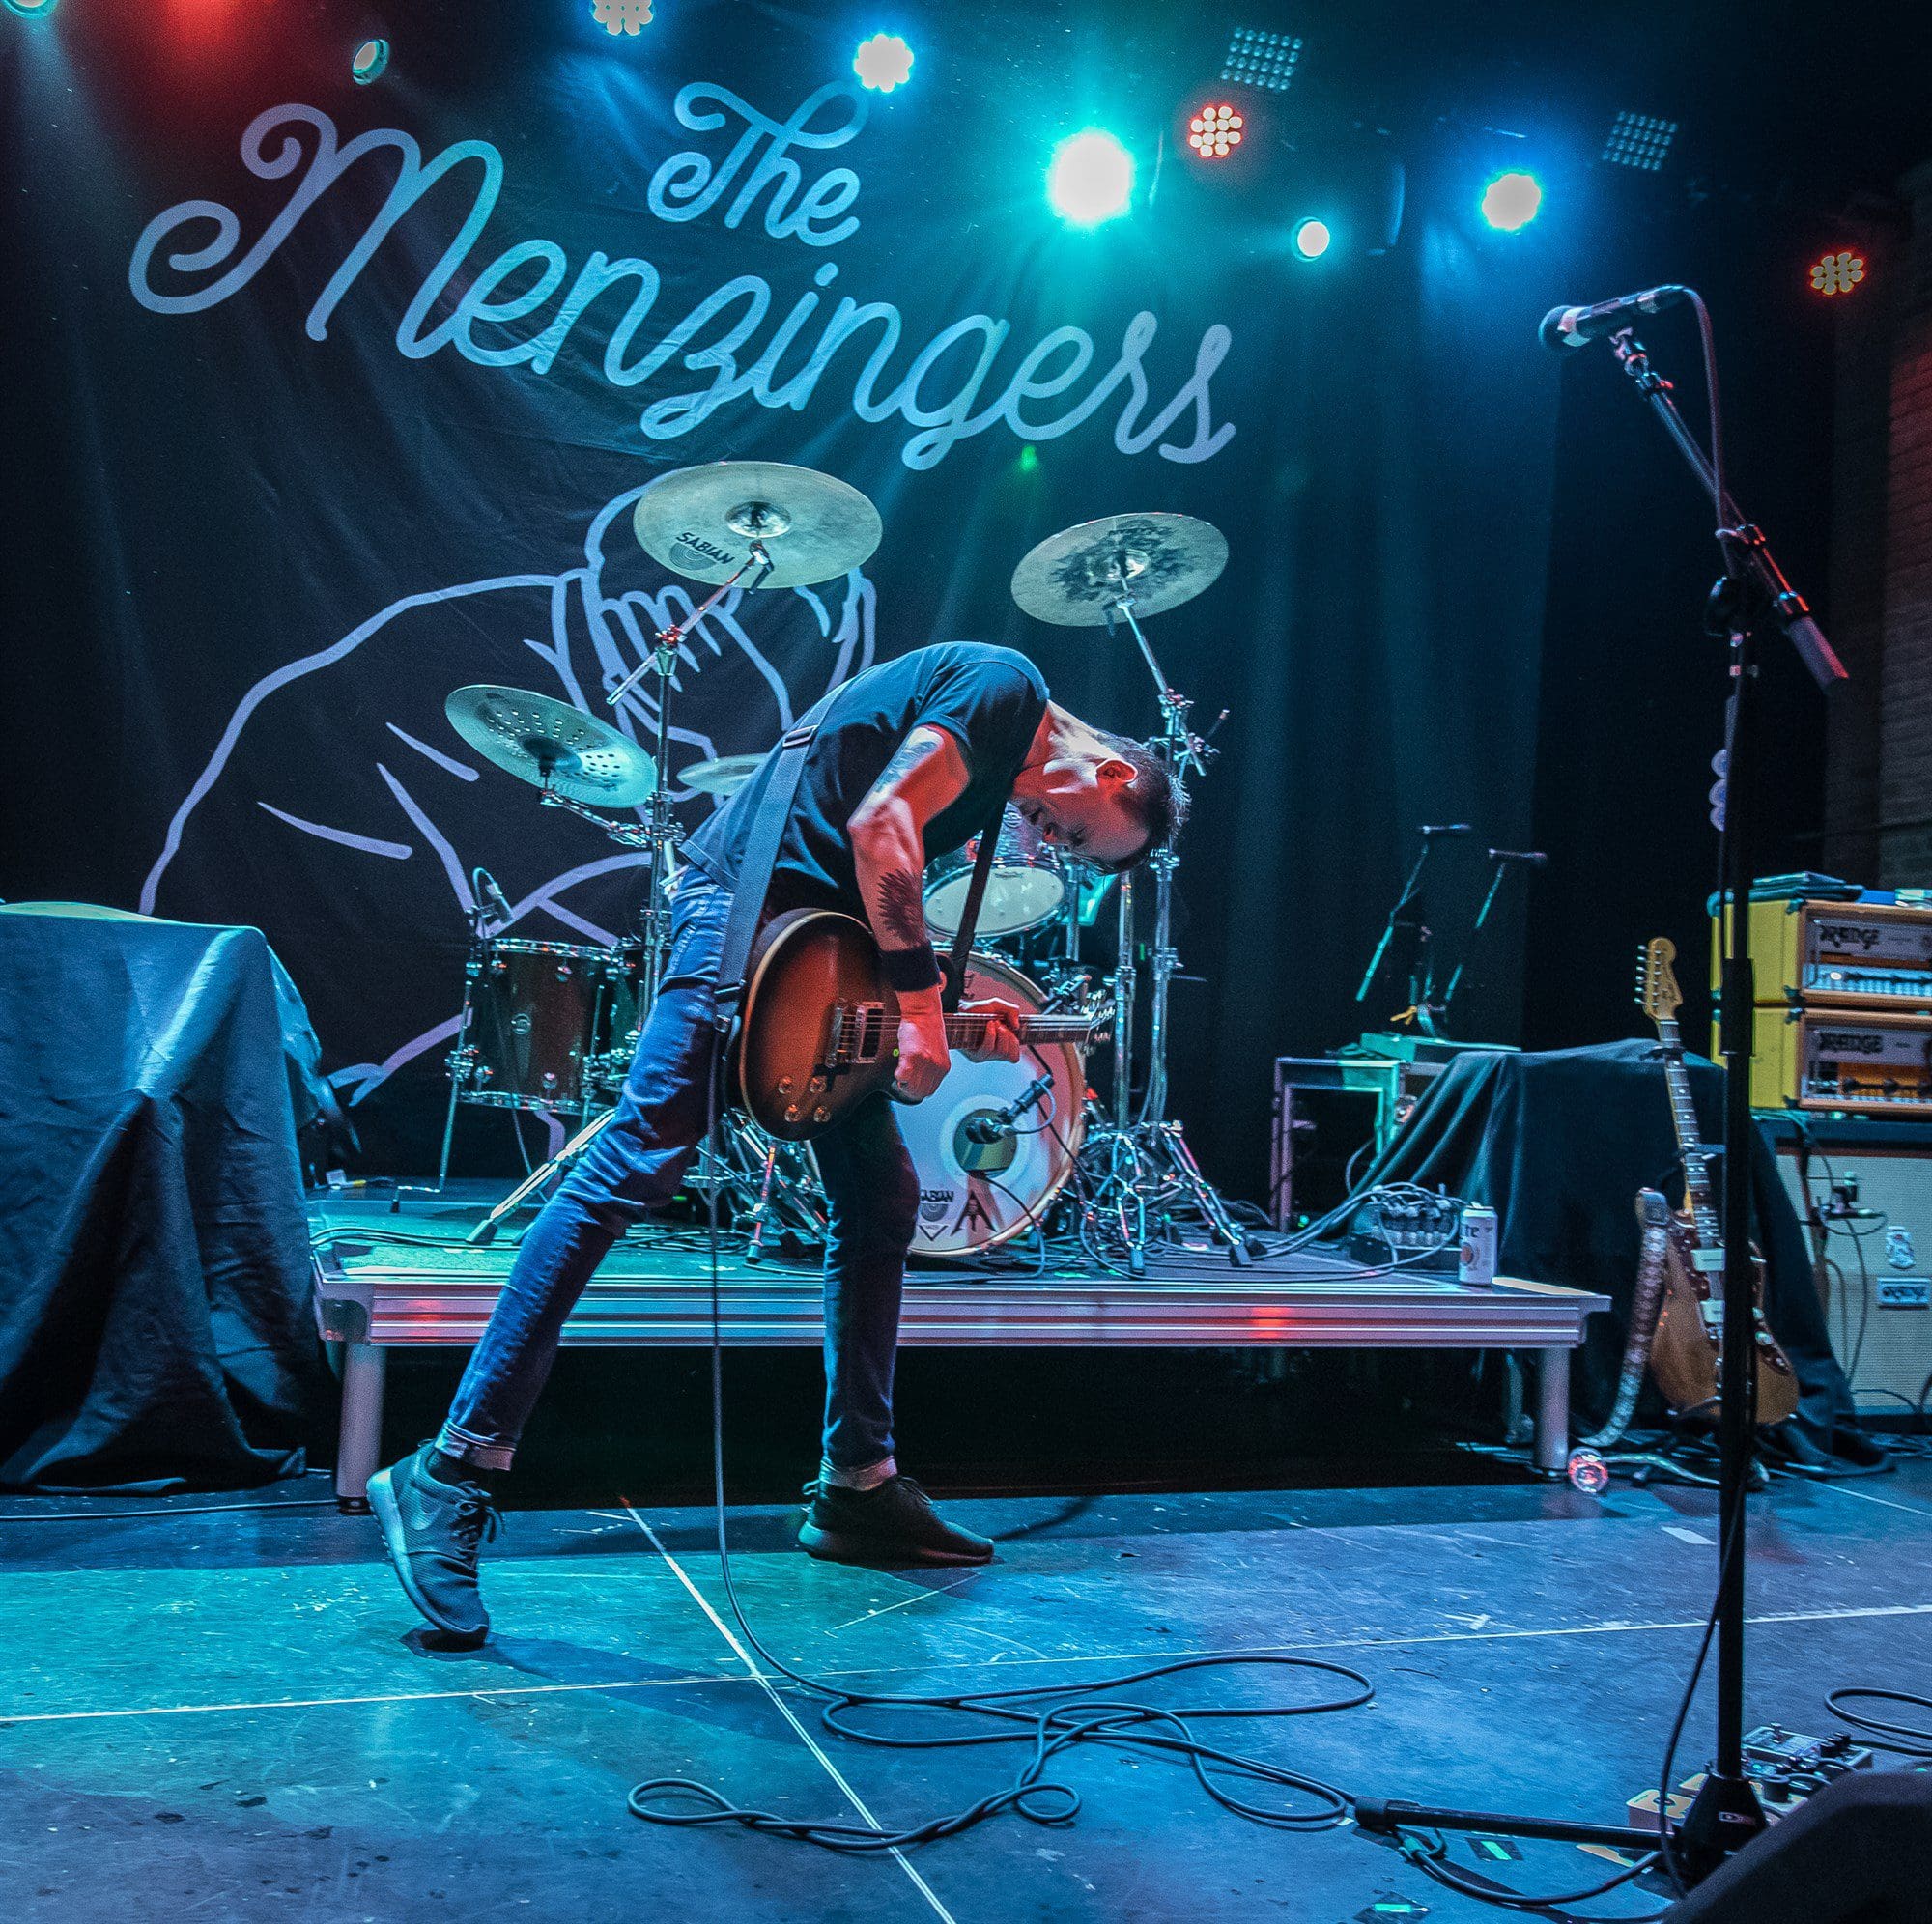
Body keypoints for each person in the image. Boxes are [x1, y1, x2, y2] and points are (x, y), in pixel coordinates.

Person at [368, 641, 1186, 1644]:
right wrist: (920, 1009)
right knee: (633, 1162)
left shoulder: (996, 752)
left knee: (880, 1197)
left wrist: (942, 1007)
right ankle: (449, 1469)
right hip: (746, 912)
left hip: (815, 939)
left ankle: (857, 1488)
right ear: (1112, 772)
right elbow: (878, 825)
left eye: (1067, 849)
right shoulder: (1007, 685)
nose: (1051, 842)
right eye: (1076, 831)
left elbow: (871, 872)